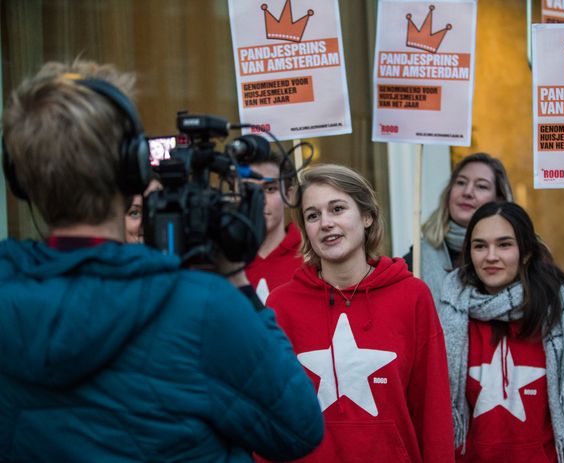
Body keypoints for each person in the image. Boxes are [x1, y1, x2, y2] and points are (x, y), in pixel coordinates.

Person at [0, 60, 323, 462]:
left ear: (19, 179)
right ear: (133, 166)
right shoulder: (201, 308)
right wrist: (236, 281)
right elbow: (300, 429)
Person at [259, 164, 455, 462]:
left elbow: (433, 412)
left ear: (367, 216)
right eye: (313, 215)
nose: (325, 223)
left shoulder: (412, 296)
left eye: (337, 209)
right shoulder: (281, 305)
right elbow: (271, 414)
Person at [437, 202, 564, 463]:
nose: (490, 256)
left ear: (525, 253)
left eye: (504, 245)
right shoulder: (449, 316)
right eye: (480, 246)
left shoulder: (562, 313)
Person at [405, 153, 513, 306]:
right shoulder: (414, 262)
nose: (467, 192)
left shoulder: (518, 258)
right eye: (461, 183)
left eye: (481, 186)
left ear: (499, 199)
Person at [244, 149, 302, 303]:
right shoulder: (223, 260)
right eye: (248, 189)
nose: (259, 199)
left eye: (270, 189)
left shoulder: (314, 256)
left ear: (289, 196)